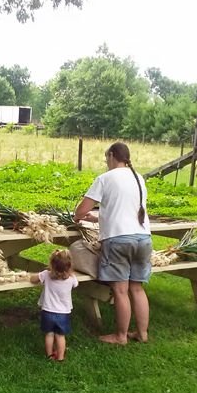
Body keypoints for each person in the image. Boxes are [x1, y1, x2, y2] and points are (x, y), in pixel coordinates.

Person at [74, 141, 152, 345]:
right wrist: (100, 217)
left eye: (106, 158)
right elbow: (124, 208)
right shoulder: (138, 178)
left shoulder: (105, 178)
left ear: (111, 156)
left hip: (119, 240)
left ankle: (120, 336)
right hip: (143, 238)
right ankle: (142, 334)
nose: (106, 162)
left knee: (120, 290)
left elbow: (81, 211)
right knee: (137, 289)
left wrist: (79, 216)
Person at [30, 249, 78, 361]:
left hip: (48, 311)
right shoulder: (72, 279)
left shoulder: (46, 275)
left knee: (49, 334)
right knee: (60, 336)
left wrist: (34, 276)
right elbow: (76, 284)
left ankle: (50, 355)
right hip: (63, 313)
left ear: (51, 264)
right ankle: (60, 357)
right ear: (69, 265)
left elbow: (33, 279)